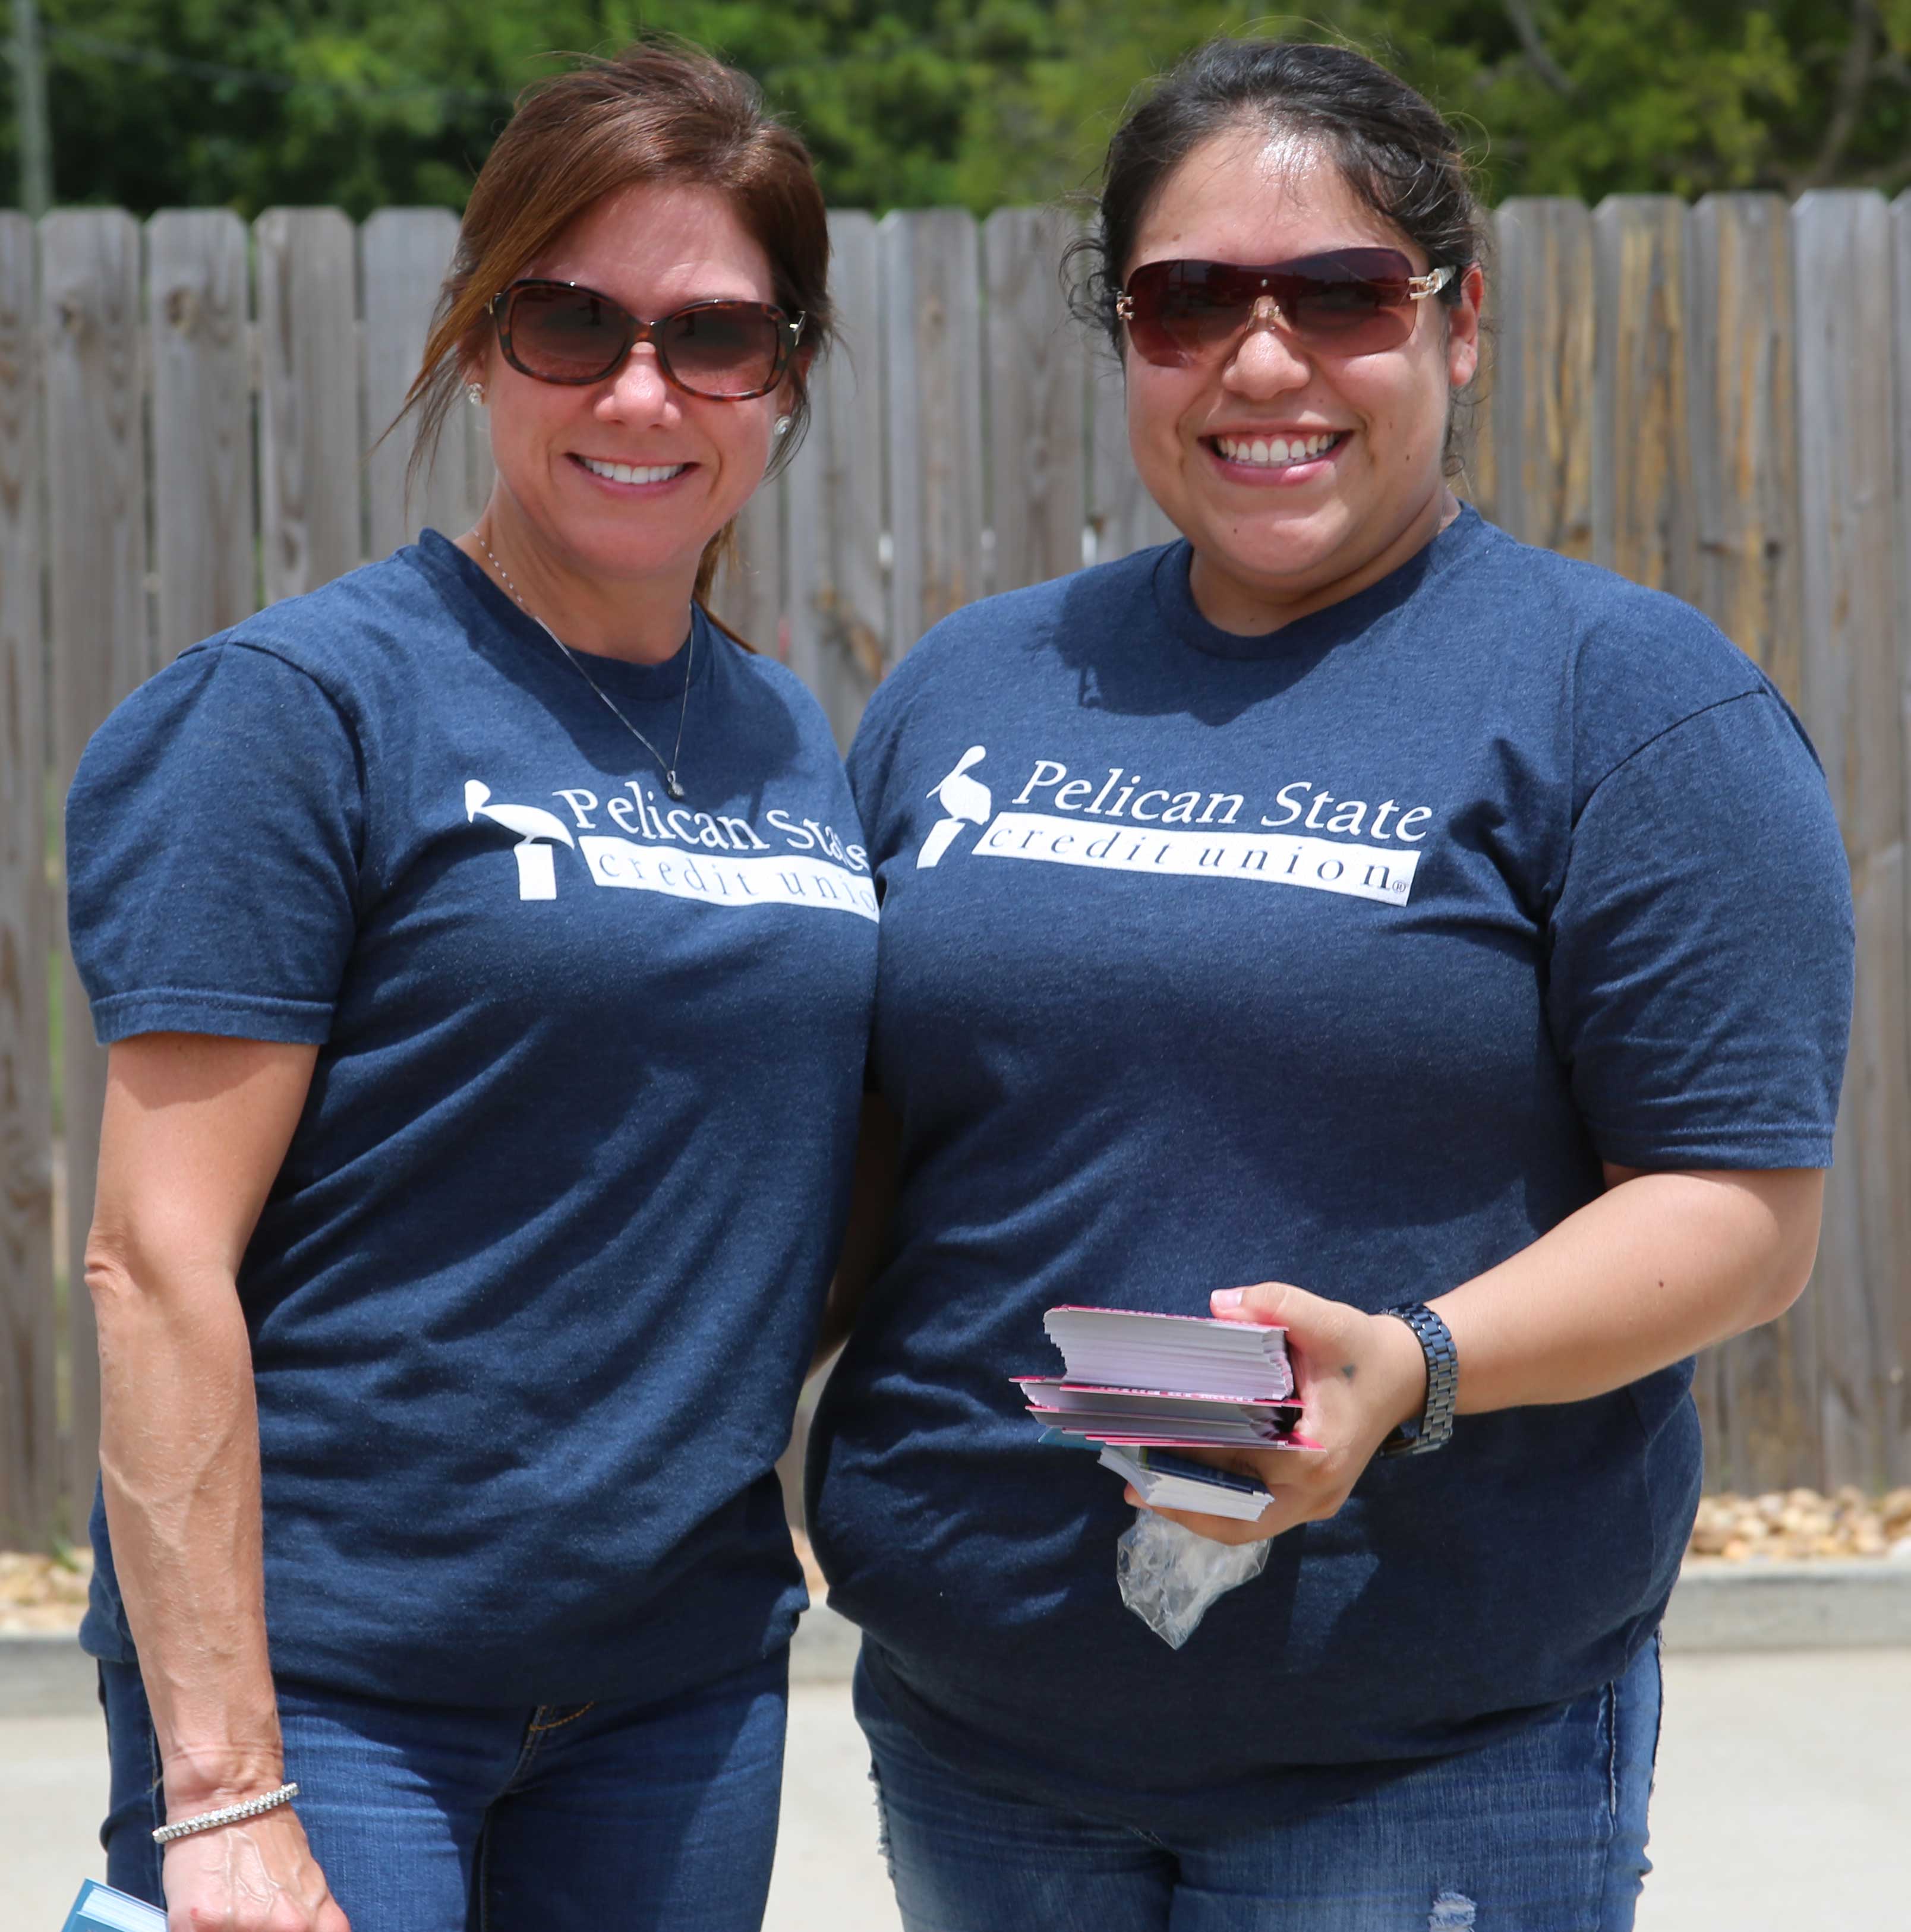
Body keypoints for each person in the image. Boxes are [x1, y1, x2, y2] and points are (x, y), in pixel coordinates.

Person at [807, 37, 1853, 1932]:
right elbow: (870, 1148)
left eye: (1342, 294)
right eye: (1189, 299)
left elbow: (1741, 1214)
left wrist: (1412, 1365)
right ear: (1124, 334)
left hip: (1424, 1762)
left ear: (1459, 324)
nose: (1263, 361)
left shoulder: (1629, 702)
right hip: (976, 1738)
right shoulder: (971, 688)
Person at [66, 42, 876, 1932]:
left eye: (716, 336)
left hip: (678, 1683)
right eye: (571, 319)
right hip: (335, 1692)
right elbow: (152, 1260)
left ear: (790, 376)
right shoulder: (304, 712)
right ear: (475, 327)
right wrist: (224, 1790)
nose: (642, 387)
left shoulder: (783, 736)